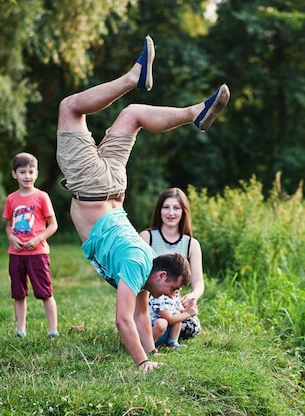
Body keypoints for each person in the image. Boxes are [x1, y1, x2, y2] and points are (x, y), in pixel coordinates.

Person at [55, 35, 230, 371]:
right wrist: (141, 364)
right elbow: (122, 320)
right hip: (92, 188)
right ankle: (135, 80)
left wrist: (152, 356)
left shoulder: (145, 269)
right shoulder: (139, 264)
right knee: (69, 108)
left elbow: (138, 314)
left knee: (133, 114)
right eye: (171, 289)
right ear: (161, 274)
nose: (167, 296)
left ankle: (195, 111)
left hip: (113, 189)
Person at [2, 152, 59, 338]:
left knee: (45, 293)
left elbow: (53, 225)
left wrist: (38, 239)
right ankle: (21, 331)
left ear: (36, 174)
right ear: (14, 174)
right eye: (22, 172)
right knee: (18, 294)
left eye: (30, 172)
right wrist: (12, 238)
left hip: (38, 254)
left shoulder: (42, 197)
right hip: (16, 255)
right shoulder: (11, 199)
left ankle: (53, 330)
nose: (27, 176)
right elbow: (9, 226)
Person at [140, 188, 204, 347]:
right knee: (157, 321)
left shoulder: (191, 244)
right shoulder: (147, 237)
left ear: (184, 212)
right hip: (148, 303)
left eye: (176, 208)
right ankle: (150, 332)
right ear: (159, 210)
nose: (171, 213)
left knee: (192, 326)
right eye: (166, 207)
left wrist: (191, 296)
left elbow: (198, 282)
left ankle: (166, 336)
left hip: (173, 303)